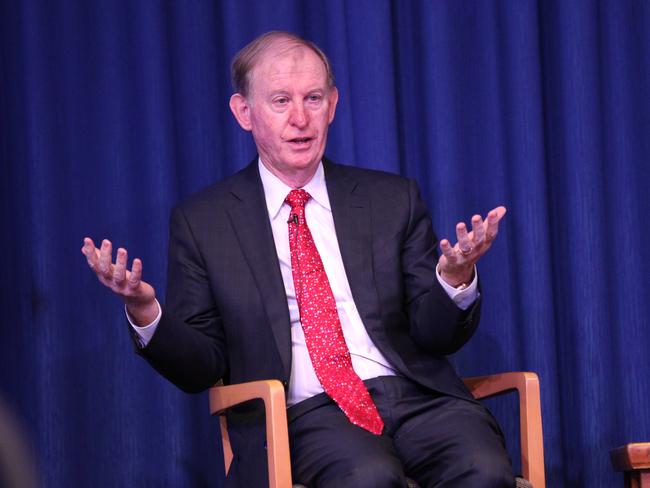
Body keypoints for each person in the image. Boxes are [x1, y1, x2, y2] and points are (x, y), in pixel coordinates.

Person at [82, 31, 512, 487]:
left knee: (485, 470)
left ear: (332, 104)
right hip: (304, 414)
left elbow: (435, 334)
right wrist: (146, 311)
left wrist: (453, 279)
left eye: (313, 98)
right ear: (244, 112)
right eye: (281, 101)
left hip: (418, 399)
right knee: (368, 477)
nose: (301, 119)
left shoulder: (391, 198)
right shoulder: (203, 222)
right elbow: (201, 366)